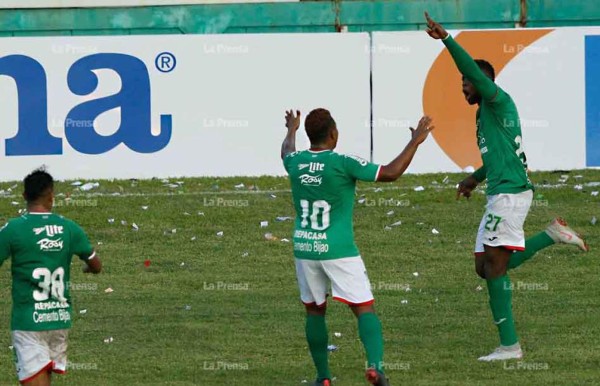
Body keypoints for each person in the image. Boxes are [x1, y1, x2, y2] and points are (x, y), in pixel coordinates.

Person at [424, 12, 589, 361]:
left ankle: (510, 346)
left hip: (510, 196)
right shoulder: (487, 112)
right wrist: (474, 179)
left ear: (482, 82)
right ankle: (551, 235)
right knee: (483, 266)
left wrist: (447, 39)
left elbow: (471, 70)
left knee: (495, 270)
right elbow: (500, 157)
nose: (463, 87)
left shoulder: (496, 99)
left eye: (467, 82)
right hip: (502, 191)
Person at [281, 108, 434, 385]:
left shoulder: (295, 162)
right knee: (364, 307)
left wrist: (291, 129)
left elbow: (286, 151)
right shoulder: (342, 162)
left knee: (315, 311)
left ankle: (323, 378)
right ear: (333, 134)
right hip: (338, 250)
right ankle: (375, 368)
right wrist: (415, 142)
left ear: (308, 135)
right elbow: (390, 173)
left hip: (304, 248)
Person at [0, 169, 102, 385]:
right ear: (51, 196)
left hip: (29, 323)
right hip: (59, 320)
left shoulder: (13, 230)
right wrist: (88, 269)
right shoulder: (69, 228)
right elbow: (96, 264)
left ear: (24, 196)